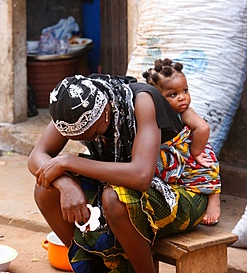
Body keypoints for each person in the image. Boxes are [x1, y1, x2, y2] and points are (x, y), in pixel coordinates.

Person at [28, 74, 208, 273]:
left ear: (105, 112)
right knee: (46, 189)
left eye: (92, 134)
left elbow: (141, 176)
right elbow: (37, 156)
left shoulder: (142, 101)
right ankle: (95, 266)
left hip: (180, 192)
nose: (92, 139)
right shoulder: (73, 106)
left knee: (115, 197)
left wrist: (68, 162)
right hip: (128, 186)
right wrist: (65, 185)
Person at [142, 58, 221, 226]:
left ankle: (214, 199)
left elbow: (203, 128)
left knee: (207, 166)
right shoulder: (151, 111)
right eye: (173, 94)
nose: (182, 98)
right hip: (170, 154)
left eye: (185, 91)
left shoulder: (185, 113)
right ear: (157, 98)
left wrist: (196, 152)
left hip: (190, 148)